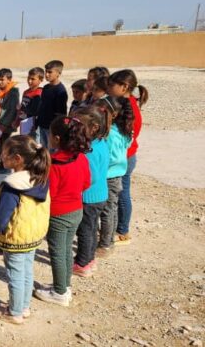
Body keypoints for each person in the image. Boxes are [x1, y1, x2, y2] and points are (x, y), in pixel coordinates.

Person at [0, 135, 50, 324]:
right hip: (33, 234)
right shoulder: (40, 176)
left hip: (16, 237)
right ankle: (24, 306)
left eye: (5, 154)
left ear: (17, 159)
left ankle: (14, 312)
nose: (2, 157)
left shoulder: (12, 185)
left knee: (15, 275)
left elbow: (1, 215)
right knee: (27, 270)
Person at [34, 116, 91, 307]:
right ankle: (64, 285)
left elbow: (49, 192)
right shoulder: (81, 157)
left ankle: (59, 292)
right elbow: (86, 183)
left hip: (58, 214)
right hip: (76, 210)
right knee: (66, 250)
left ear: (57, 138)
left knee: (57, 252)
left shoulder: (55, 164)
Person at [70, 103, 111, 277]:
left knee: (85, 230)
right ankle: (90, 258)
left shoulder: (90, 150)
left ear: (93, 127)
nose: (74, 129)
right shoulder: (101, 142)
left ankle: (82, 263)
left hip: (88, 197)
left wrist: (75, 187)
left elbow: (90, 176)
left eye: (78, 126)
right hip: (99, 194)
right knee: (92, 228)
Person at [109, 69, 148, 246]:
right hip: (120, 156)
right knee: (117, 193)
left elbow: (131, 135)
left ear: (124, 87)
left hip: (124, 157)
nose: (109, 88)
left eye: (112, 85)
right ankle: (115, 225)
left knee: (122, 193)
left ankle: (123, 231)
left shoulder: (129, 107)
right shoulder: (123, 103)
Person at [96, 97, 134, 257]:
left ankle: (105, 244)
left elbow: (111, 157)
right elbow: (127, 147)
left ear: (114, 113)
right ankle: (108, 239)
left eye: (102, 111)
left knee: (107, 210)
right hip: (116, 175)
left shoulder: (110, 133)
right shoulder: (123, 129)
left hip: (108, 176)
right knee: (111, 209)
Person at [0, 68, 20, 174]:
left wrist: (5, 124)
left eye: (3, 80)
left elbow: (11, 110)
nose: (0, 82)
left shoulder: (13, 92)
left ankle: (6, 166)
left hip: (5, 125)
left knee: (6, 145)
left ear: (9, 80)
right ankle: (1, 164)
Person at [33, 60, 69, 149]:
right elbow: (42, 106)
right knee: (44, 149)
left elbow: (61, 114)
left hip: (52, 129)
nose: (46, 74)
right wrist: (37, 121)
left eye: (50, 72)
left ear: (58, 73)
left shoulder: (61, 91)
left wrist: (55, 129)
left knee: (52, 151)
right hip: (42, 126)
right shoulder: (46, 88)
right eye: (46, 72)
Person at [19, 67, 43, 136]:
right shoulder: (26, 92)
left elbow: (35, 111)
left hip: (34, 125)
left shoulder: (40, 93)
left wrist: (23, 108)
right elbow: (22, 107)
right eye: (28, 78)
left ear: (40, 80)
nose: (29, 81)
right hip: (24, 123)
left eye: (33, 79)